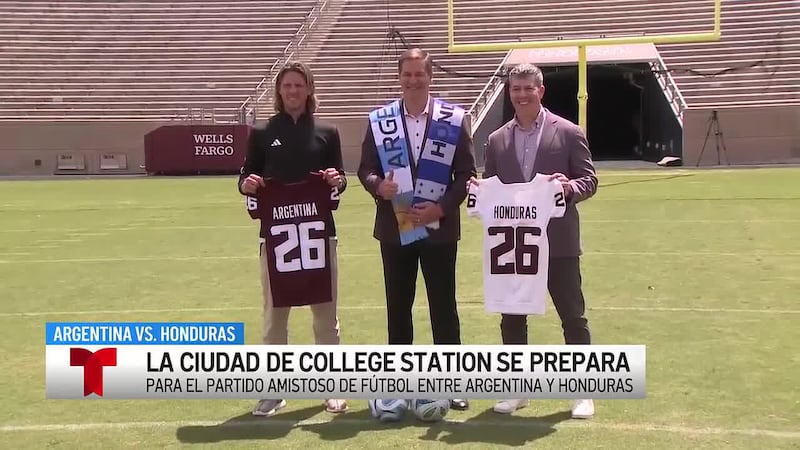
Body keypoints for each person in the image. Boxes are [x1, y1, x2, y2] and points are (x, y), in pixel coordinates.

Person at [477, 63, 598, 419]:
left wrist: (567, 187)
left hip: (558, 242)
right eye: (516, 88)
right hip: (514, 246)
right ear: (509, 92)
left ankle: (583, 390)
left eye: (529, 88)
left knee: (572, 316)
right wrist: (478, 191)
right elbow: (491, 187)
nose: (522, 94)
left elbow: (589, 180)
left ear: (541, 91)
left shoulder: (569, 132)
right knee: (512, 317)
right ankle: (516, 389)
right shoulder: (498, 139)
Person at [357, 48, 476, 411]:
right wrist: (379, 186)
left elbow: (465, 174)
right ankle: (399, 382)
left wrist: (440, 208)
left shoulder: (453, 119)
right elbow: (365, 169)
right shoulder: (381, 120)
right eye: (406, 74)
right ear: (400, 77)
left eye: (419, 74)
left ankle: (452, 382)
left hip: (438, 228)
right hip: (396, 227)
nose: (413, 80)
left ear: (430, 77)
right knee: (398, 306)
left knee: (443, 306)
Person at [238, 61, 348, 417]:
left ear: (309, 89)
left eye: (299, 85)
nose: (293, 91)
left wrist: (336, 179)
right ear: (279, 91)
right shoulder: (261, 132)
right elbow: (245, 177)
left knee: (325, 315)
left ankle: (332, 385)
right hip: (276, 237)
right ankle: (273, 389)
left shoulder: (327, 132)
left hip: (318, 234)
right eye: (287, 86)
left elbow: (340, 180)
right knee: (275, 317)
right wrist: (248, 184)